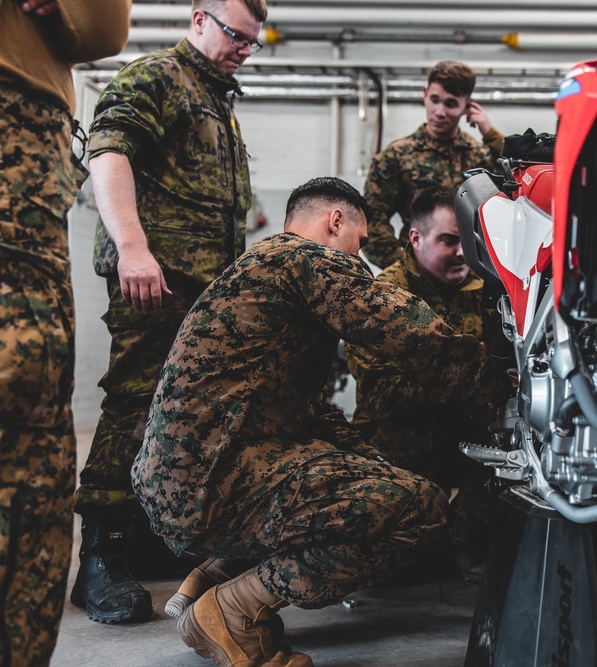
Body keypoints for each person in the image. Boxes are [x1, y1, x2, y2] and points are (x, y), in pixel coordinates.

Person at [131, 177, 511, 667]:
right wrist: (498, 387)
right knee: (418, 508)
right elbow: (400, 326)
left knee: (375, 478)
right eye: (360, 242)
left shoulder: (257, 268)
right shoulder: (304, 258)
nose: (361, 258)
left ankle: (217, 578)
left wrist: (368, 460)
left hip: (187, 480)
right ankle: (235, 612)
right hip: (209, 485)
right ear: (336, 222)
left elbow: (305, 408)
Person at [71, 0, 268, 625]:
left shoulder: (216, 98)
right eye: (236, 35)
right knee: (132, 404)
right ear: (199, 18)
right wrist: (133, 248)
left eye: (252, 41)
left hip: (200, 288)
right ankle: (99, 557)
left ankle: (143, 536)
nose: (243, 48)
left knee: (177, 413)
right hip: (154, 280)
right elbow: (106, 153)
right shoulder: (157, 76)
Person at [0, 0, 129, 662]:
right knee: (24, 458)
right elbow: (102, 25)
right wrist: (132, 247)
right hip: (14, 143)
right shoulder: (158, 85)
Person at [346, 187, 513, 576]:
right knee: (395, 569)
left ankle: (461, 548)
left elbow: (506, 366)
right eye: (449, 241)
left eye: (470, 242)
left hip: (461, 434)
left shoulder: (486, 290)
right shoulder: (380, 297)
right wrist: (470, 377)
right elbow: (381, 391)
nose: (462, 253)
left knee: (513, 457)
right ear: (415, 238)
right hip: (399, 442)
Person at [362, 60, 505, 268]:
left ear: (467, 105)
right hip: (419, 276)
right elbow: (371, 220)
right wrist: (406, 267)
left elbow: (518, 190)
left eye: (451, 104)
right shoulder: (397, 156)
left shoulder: (480, 156)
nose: (439, 112)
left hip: (472, 276)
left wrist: (491, 135)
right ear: (425, 94)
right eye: (435, 100)